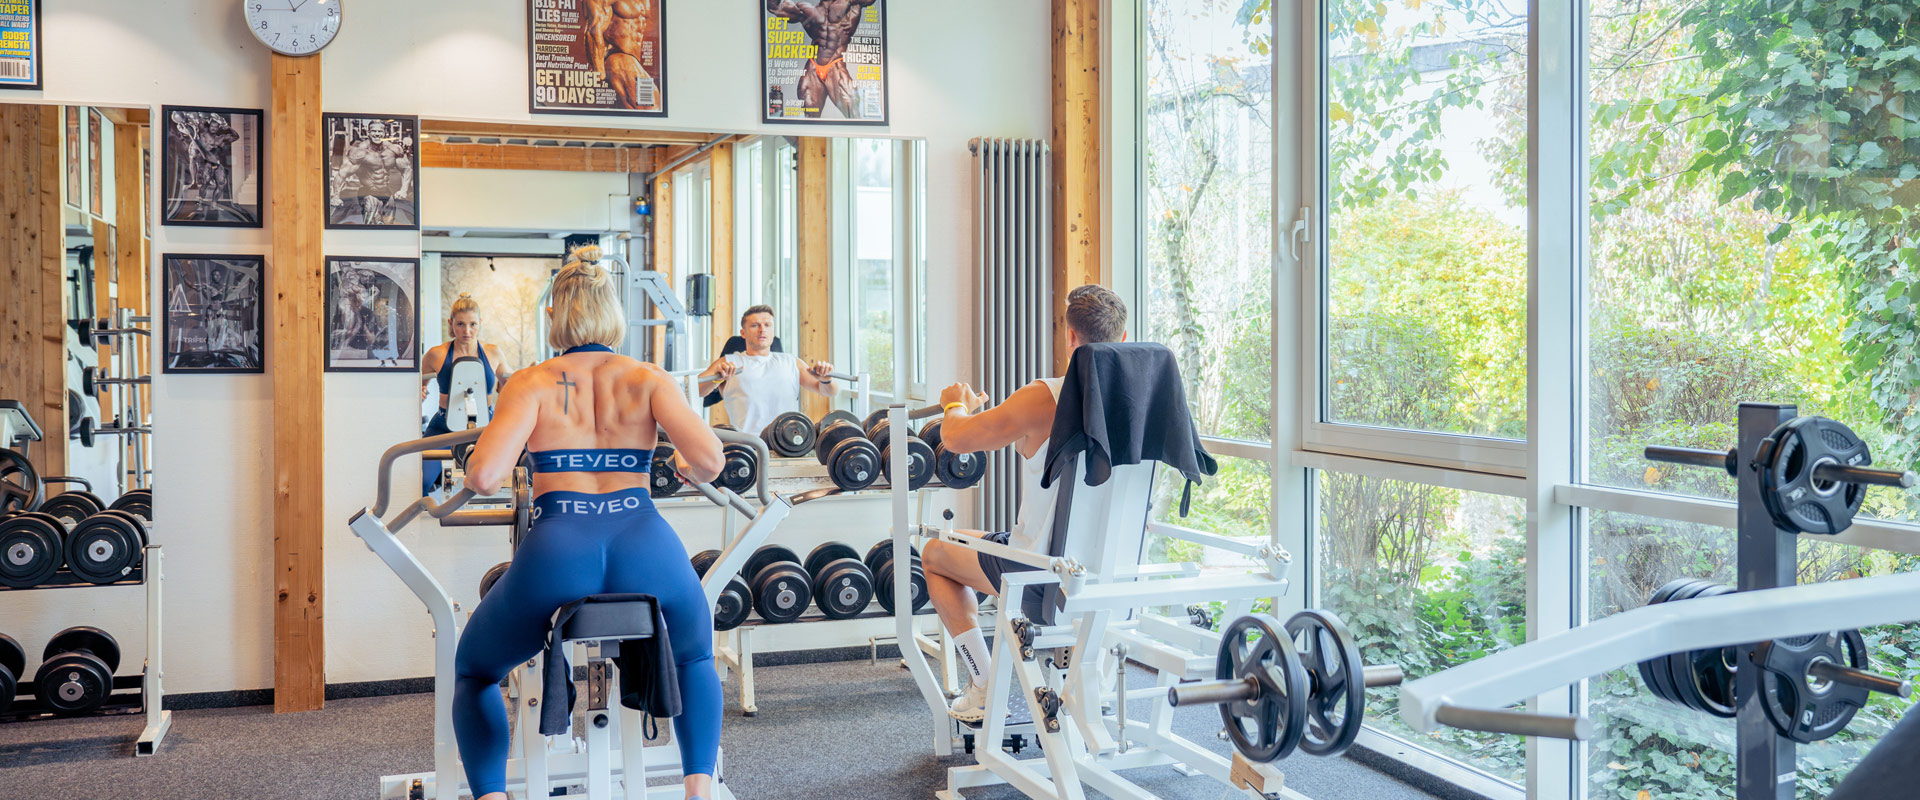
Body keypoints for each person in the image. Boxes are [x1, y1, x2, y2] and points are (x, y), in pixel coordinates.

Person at [459, 246, 726, 800]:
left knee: (476, 670)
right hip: (643, 541)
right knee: (696, 654)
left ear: (555, 314)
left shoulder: (530, 382)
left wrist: (480, 455)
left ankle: (491, 794)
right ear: (613, 312)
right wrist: (683, 464)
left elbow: (483, 477)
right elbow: (710, 462)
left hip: (560, 547)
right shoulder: (648, 377)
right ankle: (698, 788)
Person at [918, 285, 1130, 722]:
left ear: (1070, 337)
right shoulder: (1140, 402)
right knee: (973, 543)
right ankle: (1085, 678)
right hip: (1115, 576)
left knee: (935, 553)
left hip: (1041, 574)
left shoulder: (1045, 397)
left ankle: (983, 683)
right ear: (1124, 339)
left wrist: (956, 403)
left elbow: (954, 438)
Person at [695, 304, 839, 435]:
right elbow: (696, 390)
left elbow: (829, 391)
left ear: (772, 330)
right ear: (743, 333)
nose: (762, 329)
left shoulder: (791, 362)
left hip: (787, 444)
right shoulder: (728, 362)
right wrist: (717, 379)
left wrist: (826, 380)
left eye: (767, 325)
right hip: (748, 445)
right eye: (755, 325)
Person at [421, 295, 516, 493]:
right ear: (451, 323)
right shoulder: (436, 354)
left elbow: (510, 384)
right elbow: (417, 385)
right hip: (444, 427)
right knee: (421, 480)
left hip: (485, 426)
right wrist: (420, 392)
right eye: (460, 324)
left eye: (472, 324)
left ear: (480, 323)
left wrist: (507, 388)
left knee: (498, 482)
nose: (467, 331)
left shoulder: (493, 353)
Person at [765, 0, 879, 119]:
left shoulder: (850, 4)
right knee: (809, 118)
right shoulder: (805, 10)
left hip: (835, 65)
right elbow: (775, 6)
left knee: (854, 113)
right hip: (813, 67)